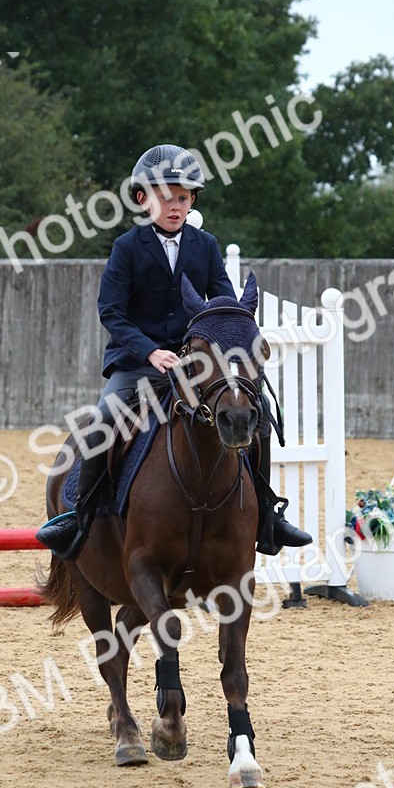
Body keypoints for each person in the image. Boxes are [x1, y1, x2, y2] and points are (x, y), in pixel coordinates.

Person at [36, 143, 312, 561]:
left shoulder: (205, 245)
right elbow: (111, 311)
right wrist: (150, 353)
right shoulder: (127, 247)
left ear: (192, 201)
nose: (175, 206)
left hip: (196, 367)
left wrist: (237, 334)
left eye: (183, 198)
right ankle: (80, 514)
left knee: (256, 420)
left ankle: (266, 516)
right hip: (137, 365)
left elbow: (223, 304)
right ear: (143, 199)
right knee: (106, 419)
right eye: (165, 197)